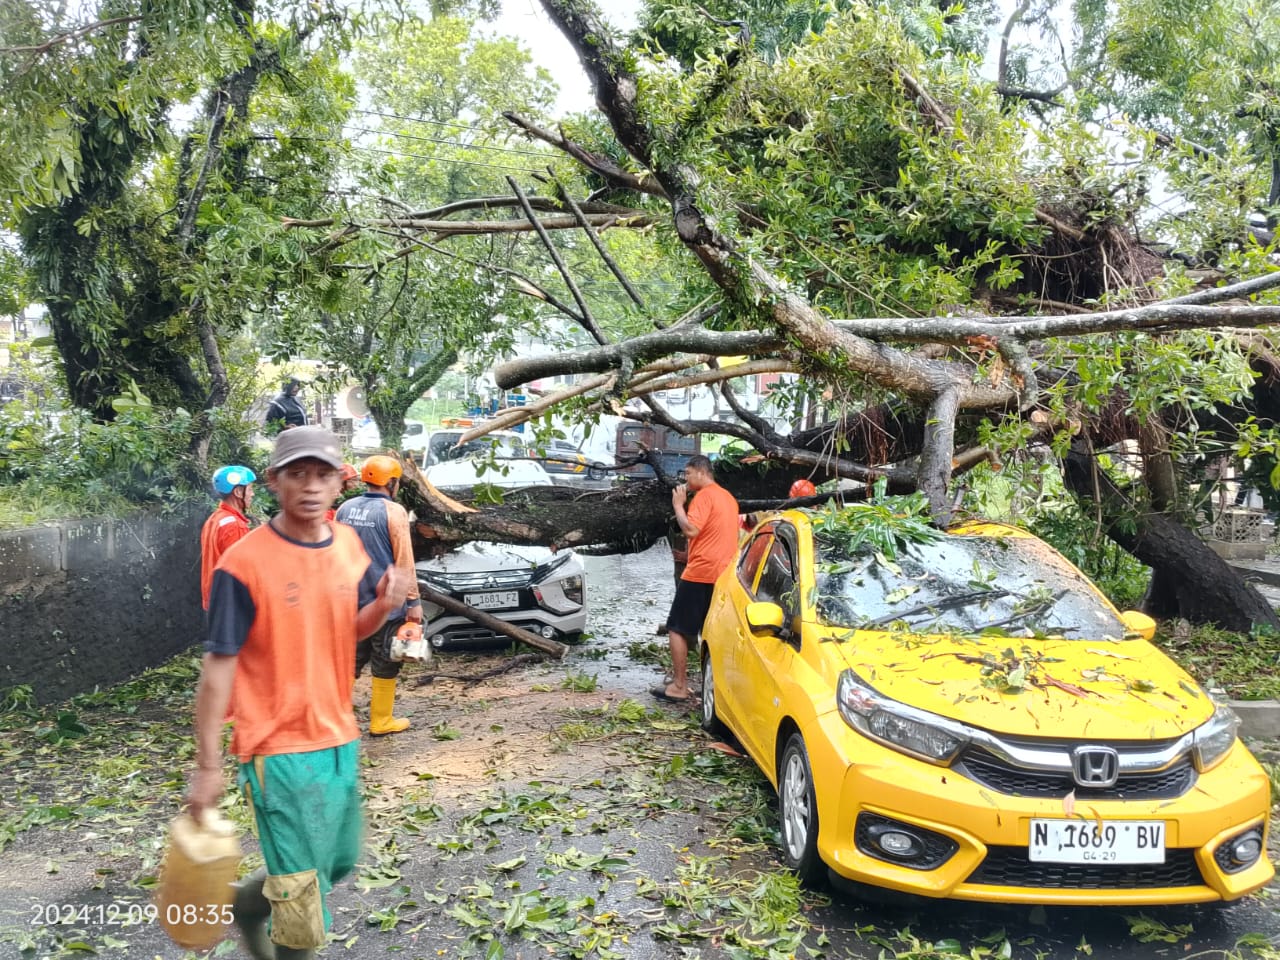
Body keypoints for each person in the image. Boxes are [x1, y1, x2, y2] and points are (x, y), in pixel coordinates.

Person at [187, 426, 409, 960]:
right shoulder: (242, 565)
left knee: (337, 861)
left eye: (322, 474)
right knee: (302, 902)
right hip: (274, 747)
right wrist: (209, 764)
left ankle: (247, 903)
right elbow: (218, 667)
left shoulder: (348, 546)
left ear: (340, 483)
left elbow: (346, 630)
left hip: (338, 736)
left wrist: (381, 607)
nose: (310, 487)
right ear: (273, 482)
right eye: (297, 474)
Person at [335, 455, 423, 735]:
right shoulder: (393, 511)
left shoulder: (344, 509)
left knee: (348, 663)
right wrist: (414, 602)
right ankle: (381, 721)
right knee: (386, 661)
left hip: (348, 602)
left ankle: (337, 720)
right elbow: (404, 560)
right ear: (392, 482)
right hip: (385, 604)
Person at [655, 454, 739, 703]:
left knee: (677, 628)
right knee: (711, 632)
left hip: (702, 573)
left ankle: (680, 686)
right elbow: (714, 535)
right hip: (723, 575)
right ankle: (716, 689)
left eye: (688, 474)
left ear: (701, 472)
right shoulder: (728, 498)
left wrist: (678, 505)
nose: (686, 479)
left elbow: (691, 529)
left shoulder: (704, 496)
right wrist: (686, 554)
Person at [200, 465, 255, 611]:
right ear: (238, 492)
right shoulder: (235, 526)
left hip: (215, 601)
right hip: (230, 606)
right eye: (250, 489)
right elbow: (242, 572)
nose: (252, 494)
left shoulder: (214, 519)